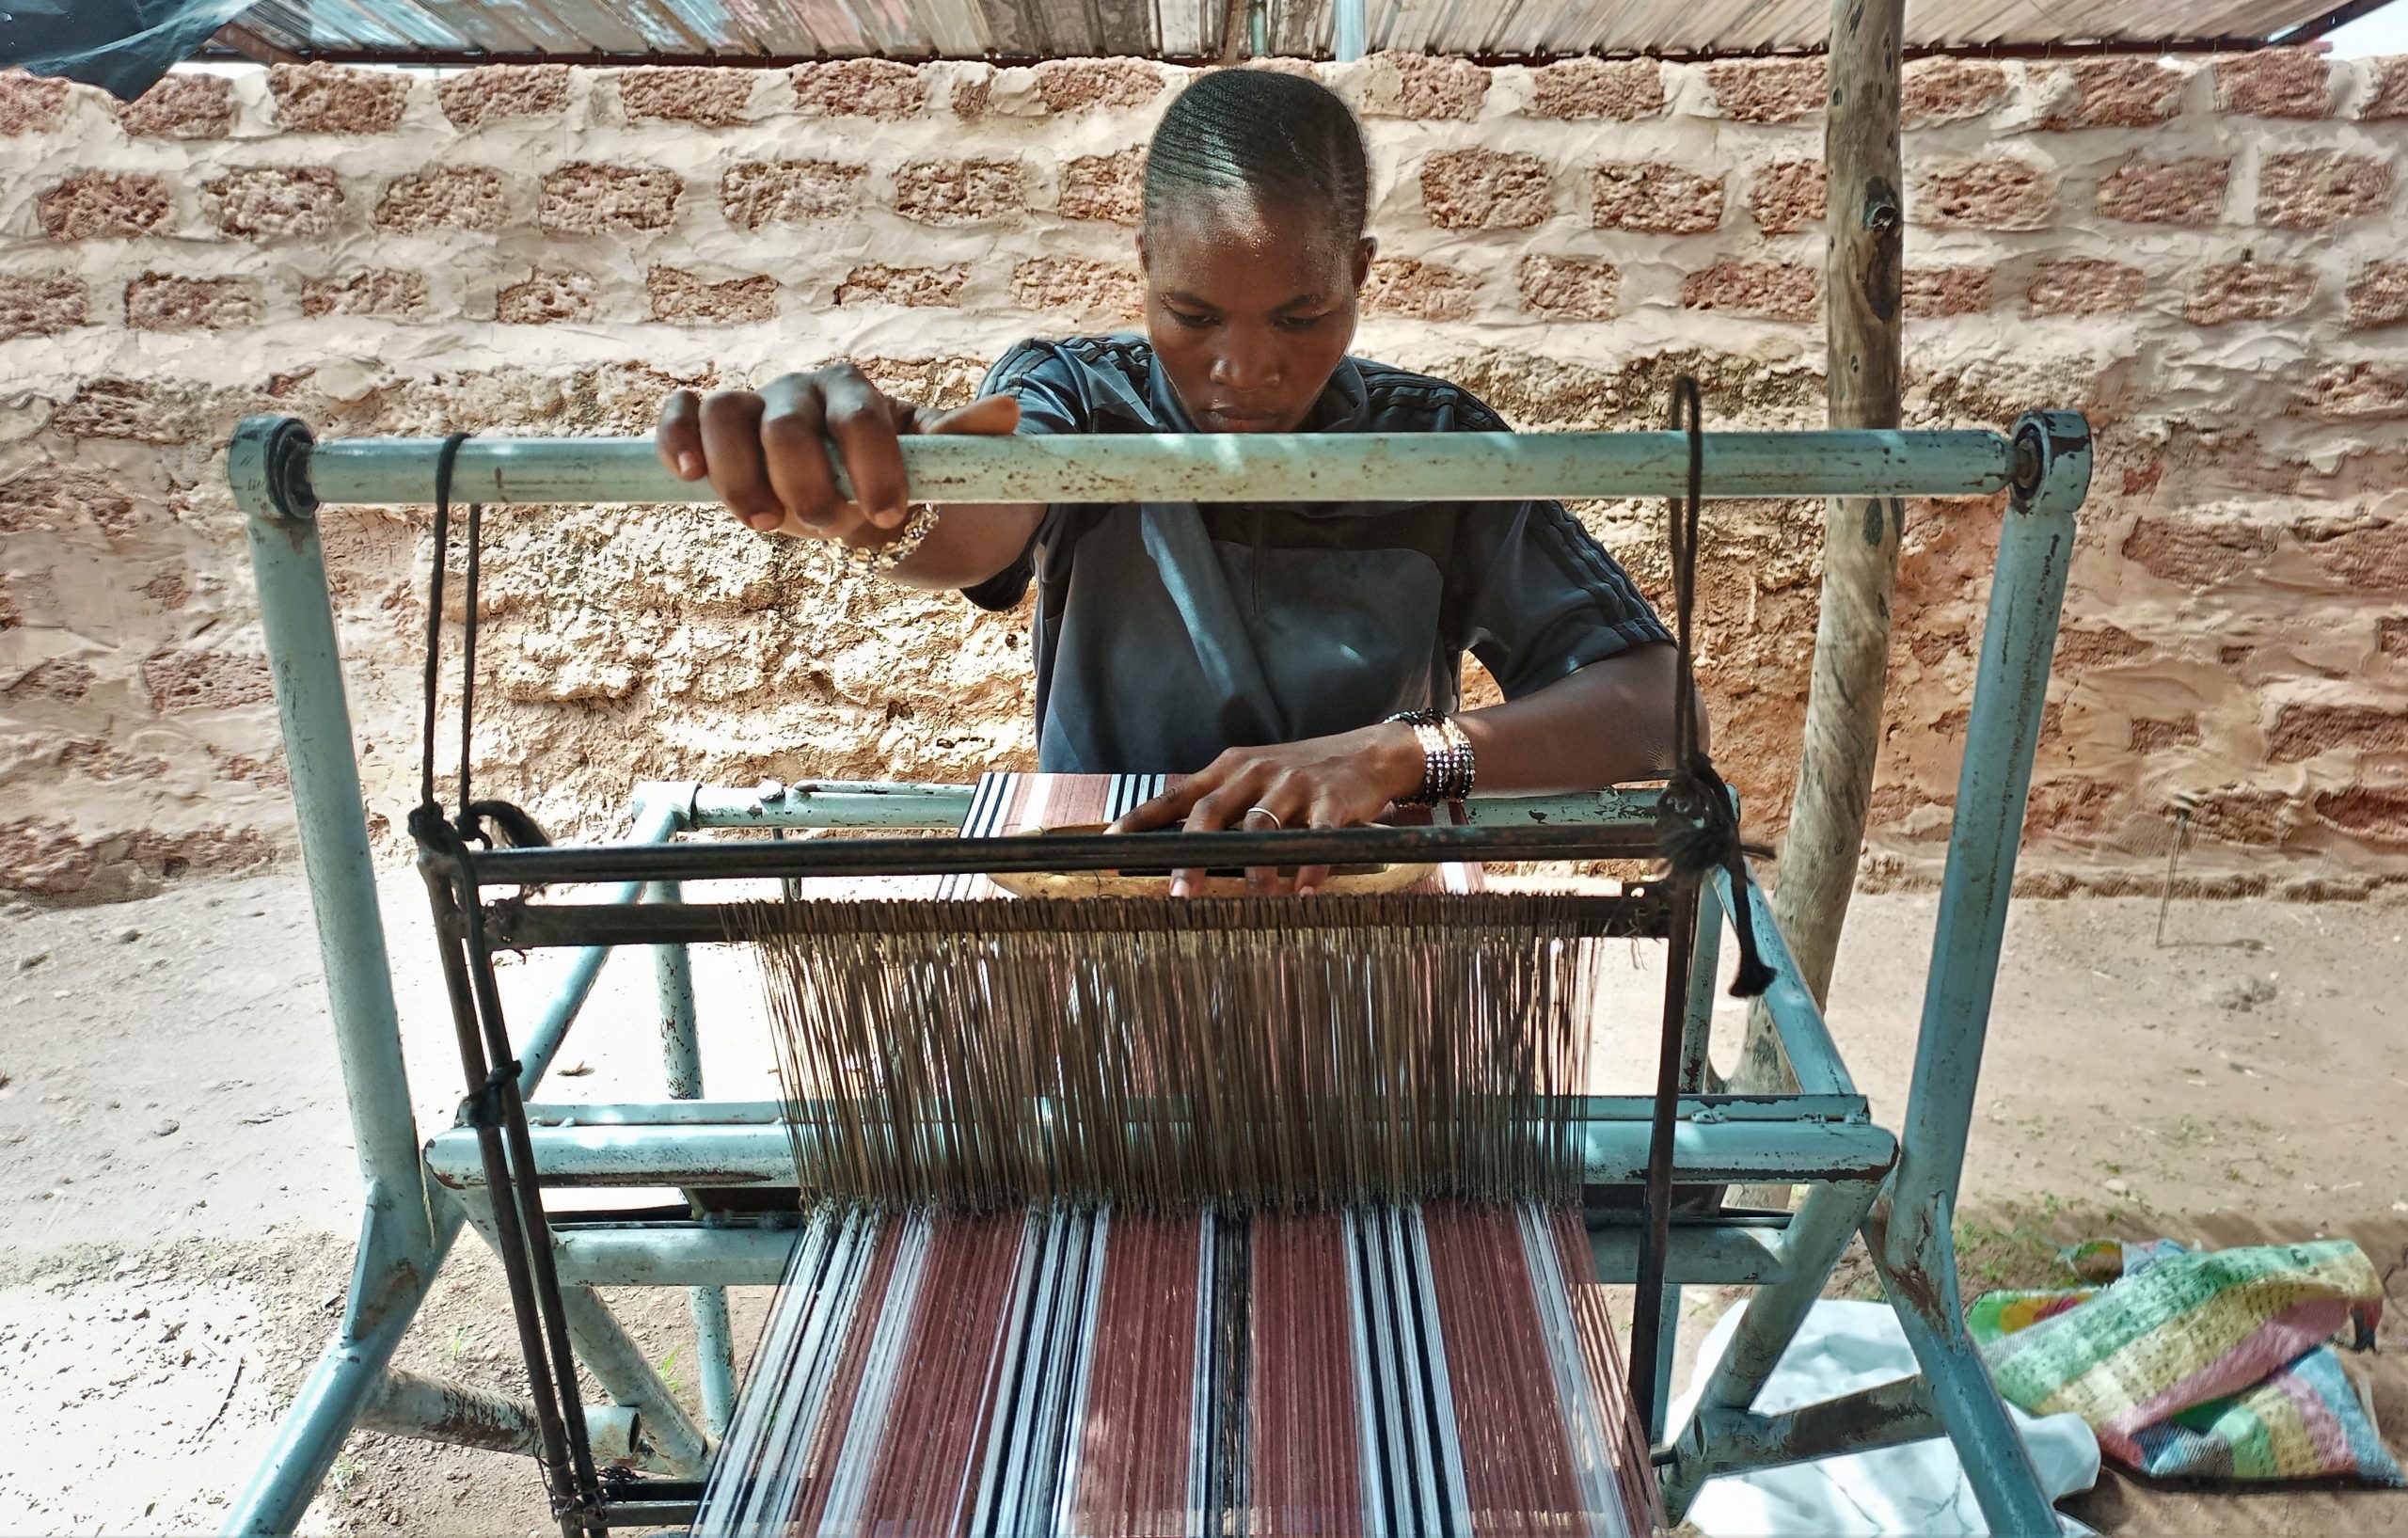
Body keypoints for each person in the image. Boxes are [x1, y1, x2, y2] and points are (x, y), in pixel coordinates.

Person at [656, 68, 1687, 894]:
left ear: (1360, 274)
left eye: (1299, 317)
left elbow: (1653, 708)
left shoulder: (1435, 448)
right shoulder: (1077, 401)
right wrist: (879, 494)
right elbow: (980, 520)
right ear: (1145, 264)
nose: (1245, 371)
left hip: (1363, 943)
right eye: (1192, 318)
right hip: (1113, 930)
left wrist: (1405, 756)